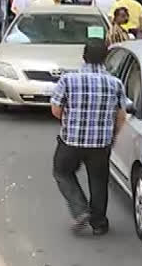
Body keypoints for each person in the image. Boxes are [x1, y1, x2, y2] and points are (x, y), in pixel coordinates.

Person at [50, 39, 126, 235]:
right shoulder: (115, 83)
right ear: (105, 58)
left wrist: (70, 122)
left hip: (71, 140)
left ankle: (80, 209)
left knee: (62, 171)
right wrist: (113, 135)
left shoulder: (68, 79)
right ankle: (99, 223)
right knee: (99, 180)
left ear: (84, 56)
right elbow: (120, 116)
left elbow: (56, 110)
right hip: (101, 143)